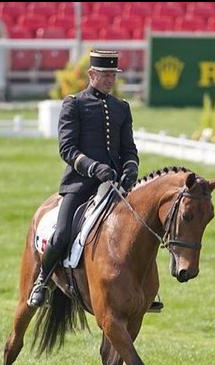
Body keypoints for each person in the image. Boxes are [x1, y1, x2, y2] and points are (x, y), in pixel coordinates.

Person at [28, 50, 145, 309]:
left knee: (139, 231)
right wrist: (94, 168)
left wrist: (130, 168)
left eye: (112, 75)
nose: (109, 80)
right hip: (80, 184)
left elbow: (129, 148)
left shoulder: (121, 107)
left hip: (115, 186)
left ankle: (145, 289)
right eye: (104, 75)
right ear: (91, 74)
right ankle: (42, 280)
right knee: (61, 234)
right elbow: (67, 149)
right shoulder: (74, 104)